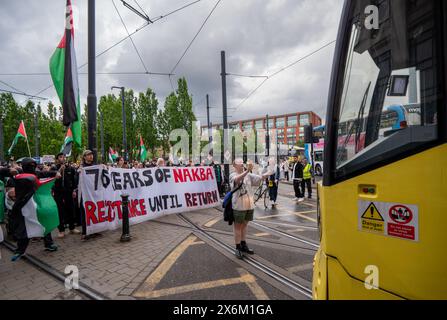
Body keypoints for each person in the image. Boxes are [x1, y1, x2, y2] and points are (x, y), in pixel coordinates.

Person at [9, 158, 61, 261]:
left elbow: (46, 174)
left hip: (37, 205)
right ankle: (20, 250)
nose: (32, 167)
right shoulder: (18, 176)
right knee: (25, 228)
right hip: (24, 207)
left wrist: (55, 173)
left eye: (33, 165)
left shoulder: (36, 174)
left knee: (44, 223)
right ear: (24, 166)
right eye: (29, 165)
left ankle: (49, 244)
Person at [229, 158, 272, 259]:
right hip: (238, 206)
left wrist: (269, 172)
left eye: (242, 164)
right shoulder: (233, 175)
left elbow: (259, 178)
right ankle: (238, 247)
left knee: (245, 225)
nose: (241, 165)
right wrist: (247, 170)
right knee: (238, 227)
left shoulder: (248, 175)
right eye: (239, 164)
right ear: (234, 166)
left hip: (249, 205)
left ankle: (243, 244)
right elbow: (237, 180)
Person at [52, 153, 80, 238]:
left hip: (68, 192)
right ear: (57, 159)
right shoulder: (54, 168)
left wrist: (74, 190)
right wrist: (60, 170)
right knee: (60, 211)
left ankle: (72, 228)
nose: (63, 158)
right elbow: (53, 178)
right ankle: (61, 230)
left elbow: (73, 180)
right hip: (58, 192)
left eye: (64, 157)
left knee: (71, 209)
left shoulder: (70, 168)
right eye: (60, 157)